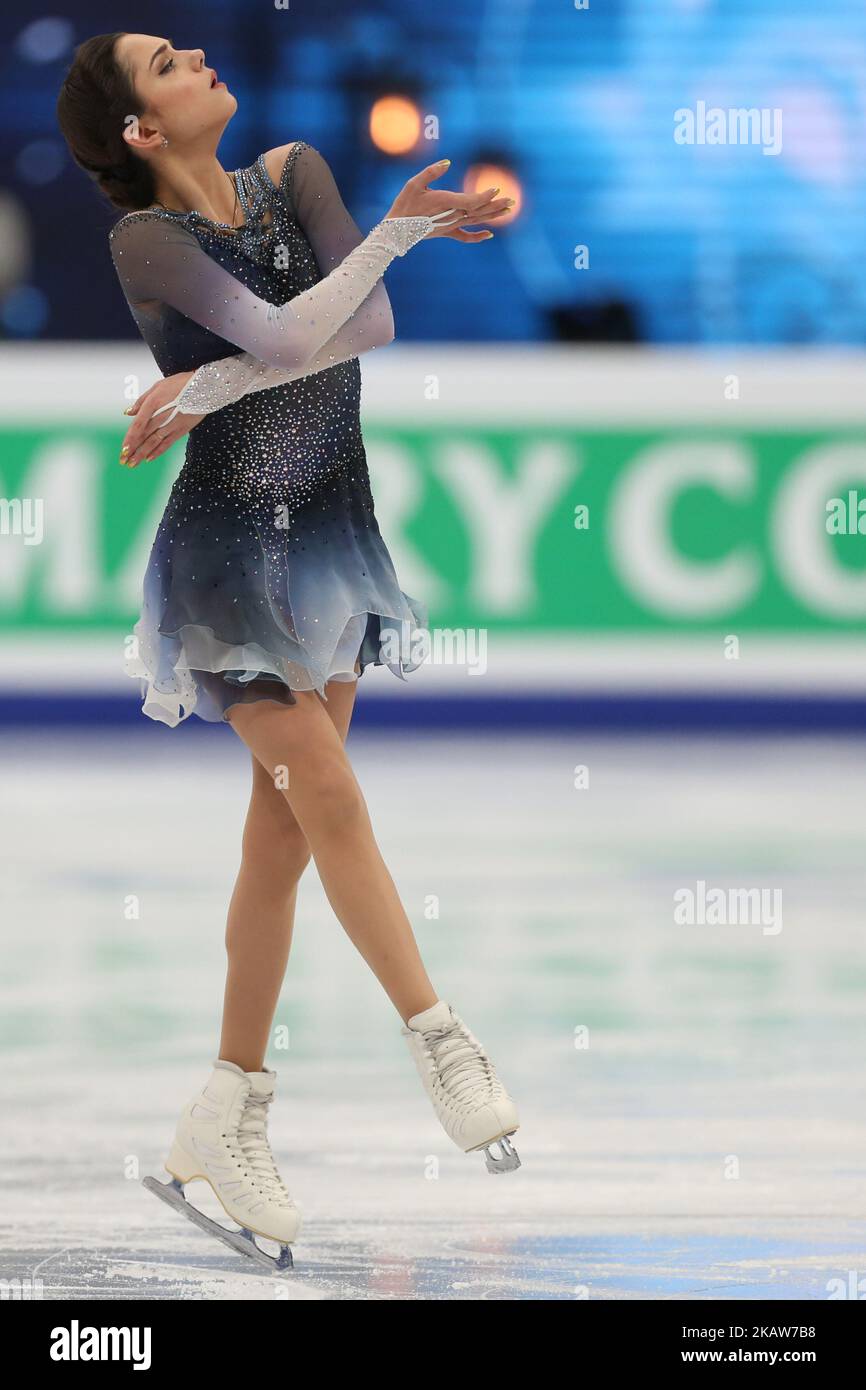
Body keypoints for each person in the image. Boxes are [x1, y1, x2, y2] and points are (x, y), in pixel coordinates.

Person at [57, 32, 520, 1270]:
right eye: (167, 63)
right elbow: (276, 336)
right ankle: (438, 1035)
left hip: (326, 532)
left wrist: (201, 390)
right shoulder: (145, 241)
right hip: (224, 553)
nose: (198, 55)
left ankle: (227, 1103)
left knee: (280, 839)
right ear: (142, 130)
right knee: (324, 788)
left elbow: (361, 324)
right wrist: (395, 233)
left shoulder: (297, 170)